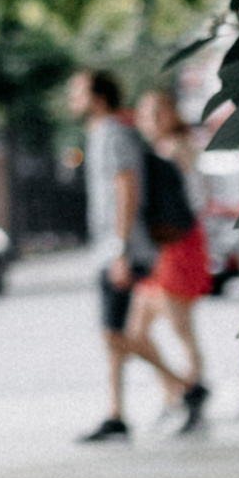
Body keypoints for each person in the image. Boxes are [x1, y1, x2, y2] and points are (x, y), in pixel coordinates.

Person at [67, 63, 161, 444]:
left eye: (78, 92)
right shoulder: (100, 134)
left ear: (99, 98)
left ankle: (187, 386)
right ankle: (116, 414)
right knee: (116, 334)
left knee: (112, 334)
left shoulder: (113, 134)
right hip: (111, 248)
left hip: (121, 249)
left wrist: (121, 250)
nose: (72, 99)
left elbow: (127, 188)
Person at [131, 85, 213, 434]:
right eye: (146, 113)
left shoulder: (179, 147)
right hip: (160, 245)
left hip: (178, 243)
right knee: (136, 332)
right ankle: (180, 393)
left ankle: (190, 397)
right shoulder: (160, 150)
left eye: (158, 112)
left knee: (181, 328)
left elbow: (192, 200)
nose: (151, 120)